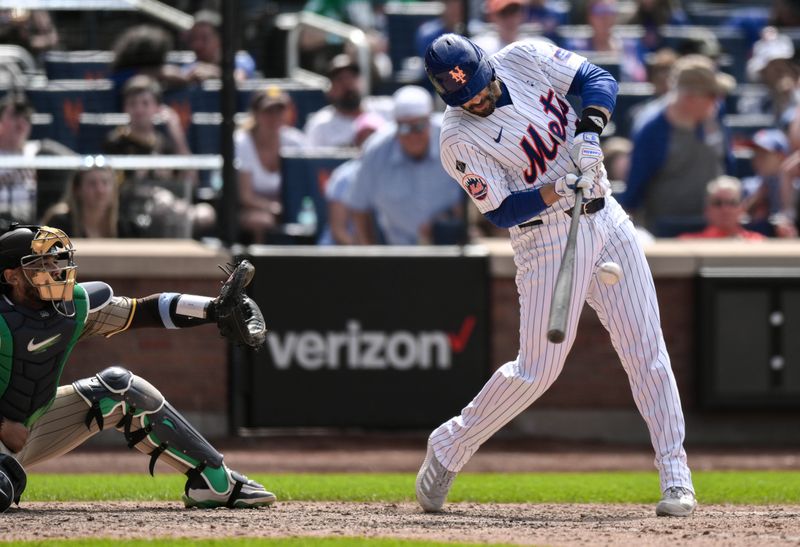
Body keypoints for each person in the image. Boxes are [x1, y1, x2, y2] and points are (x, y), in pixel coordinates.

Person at [417, 33, 696, 517]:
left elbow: (597, 79)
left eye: (480, 88)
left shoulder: (523, 57)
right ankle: (449, 445)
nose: (478, 101)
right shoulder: (457, 138)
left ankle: (676, 477)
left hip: (606, 217)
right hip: (544, 237)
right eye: (466, 98)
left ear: (487, 65)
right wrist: (556, 189)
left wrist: (589, 132)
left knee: (647, 350)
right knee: (537, 371)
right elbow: (502, 211)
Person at [0, 224, 274, 511]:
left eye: (53, 261)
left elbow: (144, 310)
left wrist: (212, 309)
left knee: (121, 388)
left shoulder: (71, 307)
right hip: (4, 432)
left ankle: (216, 483)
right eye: (40, 264)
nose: (55, 270)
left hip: (35, 424)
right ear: (12, 277)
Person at [617, 54, 736, 237]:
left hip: (714, 228)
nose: (717, 101)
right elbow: (635, 188)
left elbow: (728, 165)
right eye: (712, 95)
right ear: (689, 97)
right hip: (666, 231)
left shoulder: (715, 114)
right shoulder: (652, 128)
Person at [345, 85, 464, 245]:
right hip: (399, 251)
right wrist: (371, 257)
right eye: (404, 127)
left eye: (419, 126)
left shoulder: (453, 141)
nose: (413, 135)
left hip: (454, 247)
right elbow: (359, 207)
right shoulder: (375, 151)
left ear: (429, 121)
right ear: (395, 125)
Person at [234, 86, 307, 244]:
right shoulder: (242, 142)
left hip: (289, 210)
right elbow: (246, 197)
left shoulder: (296, 141)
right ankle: (258, 267)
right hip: (248, 210)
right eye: (268, 111)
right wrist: (273, 208)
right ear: (255, 114)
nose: (275, 117)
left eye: (279, 110)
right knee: (263, 221)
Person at [319, 111, 384, 245]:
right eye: (363, 138)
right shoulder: (343, 176)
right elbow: (339, 232)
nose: (369, 143)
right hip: (341, 254)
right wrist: (366, 257)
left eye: (374, 137)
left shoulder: (392, 174)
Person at [303, 54, 392, 148]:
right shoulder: (320, 125)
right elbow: (312, 161)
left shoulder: (387, 109)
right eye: (339, 79)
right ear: (329, 90)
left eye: (352, 76)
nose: (347, 83)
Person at [40, 166, 139, 239]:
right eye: (92, 183)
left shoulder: (126, 227)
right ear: (77, 190)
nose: (100, 190)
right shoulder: (59, 224)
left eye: (105, 183)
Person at [741, 128, 797, 237]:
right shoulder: (748, 185)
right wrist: (756, 198)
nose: (757, 159)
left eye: (763, 155)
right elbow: (735, 220)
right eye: (755, 154)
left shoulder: (796, 187)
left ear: (781, 157)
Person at [678, 176, 767, 240]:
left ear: (742, 208)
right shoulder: (688, 243)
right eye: (718, 203)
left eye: (732, 203)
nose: (725, 209)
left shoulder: (758, 242)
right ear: (707, 210)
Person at [183, 10, 256, 82]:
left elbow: (239, 78)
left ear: (219, 39)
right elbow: (182, 74)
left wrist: (212, 73)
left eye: (204, 38)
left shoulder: (239, 59)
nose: (197, 44)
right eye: (194, 38)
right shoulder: (192, 63)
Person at [0, 91, 36, 227]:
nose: (21, 123)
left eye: (27, 118)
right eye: (15, 116)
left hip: (29, 226)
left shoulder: (39, 153)